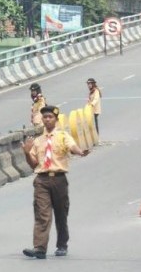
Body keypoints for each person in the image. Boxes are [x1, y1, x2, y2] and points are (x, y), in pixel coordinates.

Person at [22, 105, 89, 259]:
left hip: (59, 180)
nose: (47, 120)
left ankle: (62, 245)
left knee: (61, 214)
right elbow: (33, 165)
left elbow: (72, 147)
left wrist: (80, 152)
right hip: (41, 180)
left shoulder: (63, 136)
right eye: (45, 117)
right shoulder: (38, 141)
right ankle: (39, 248)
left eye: (50, 117)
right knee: (42, 214)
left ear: (56, 120)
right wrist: (26, 153)